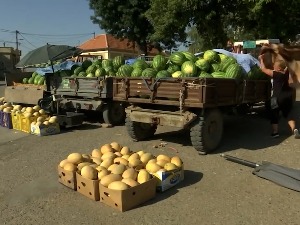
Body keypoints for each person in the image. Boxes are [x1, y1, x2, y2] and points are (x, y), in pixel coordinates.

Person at [258, 55, 300, 139]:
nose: (273, 67)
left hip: (276, 98)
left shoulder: (276, 74)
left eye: (275, 66)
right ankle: (294, 130)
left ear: (278, 68)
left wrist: (261, 59)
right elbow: (288, 65)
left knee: (274, 114)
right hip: (287, 97)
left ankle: (275, 132)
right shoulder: (286, 73)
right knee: (288, 114)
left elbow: (263, 69)